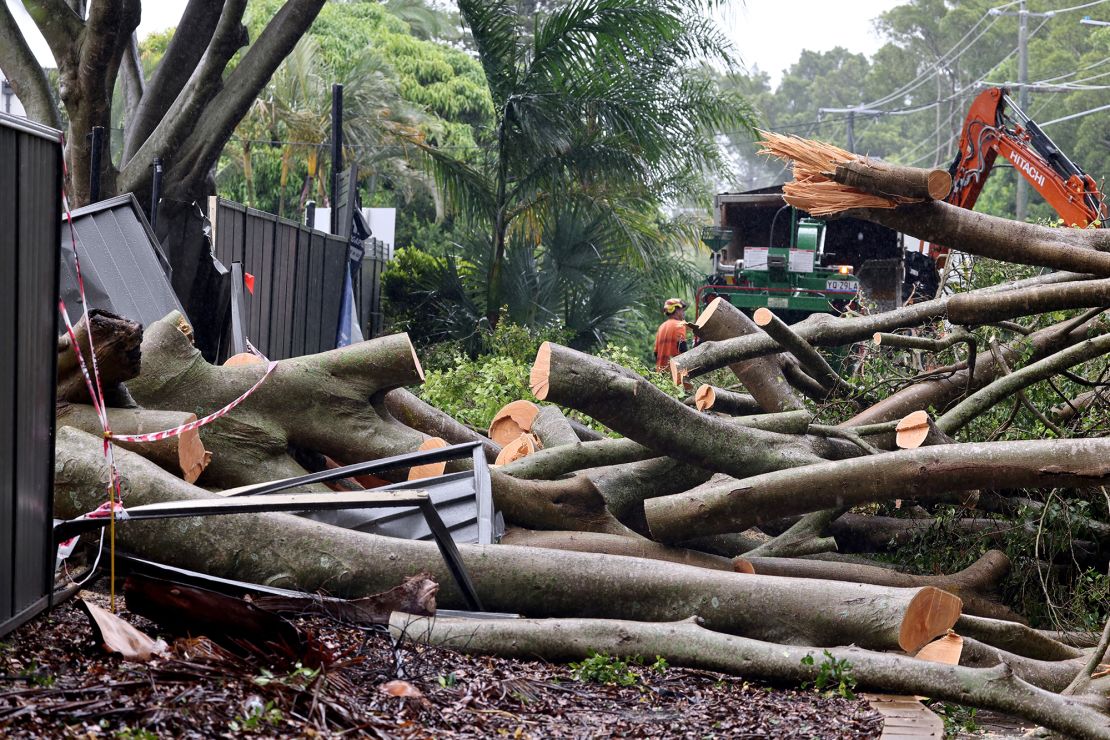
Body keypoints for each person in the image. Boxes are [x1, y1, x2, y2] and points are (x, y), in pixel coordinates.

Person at [654, 298, 688, 371]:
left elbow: (656, 353)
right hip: (676, 371)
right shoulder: (679, 325)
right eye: (682, 310)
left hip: (660, 372)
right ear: (676, 310)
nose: (683, 312)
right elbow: (682, 348)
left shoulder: (661, 327)